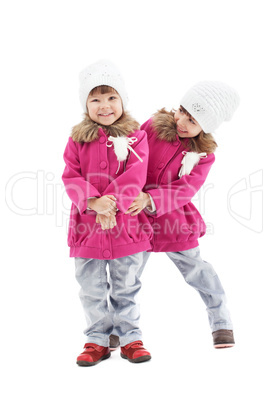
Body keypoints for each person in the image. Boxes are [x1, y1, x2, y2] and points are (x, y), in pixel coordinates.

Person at [126, 81, 239, 348]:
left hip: (173, 219)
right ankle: (119, 327)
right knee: (125, 275)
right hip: (135, 216)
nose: (183, 123)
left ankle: (221, 322)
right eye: (183, 112)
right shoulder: (153, 127)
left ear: (206, 127)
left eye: (194, 121)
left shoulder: (202, 155)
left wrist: (151, 198)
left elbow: (186, 188)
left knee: (197, 270)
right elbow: (132, 156)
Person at [62, 60, 152, 365]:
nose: (104, 106)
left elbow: (135, 177)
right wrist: (93, 203)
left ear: (123, 101)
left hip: (126, 229)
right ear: (85, 104)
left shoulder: (136, 137)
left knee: (126, 285)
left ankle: (130, 337)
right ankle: (96, 339)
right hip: (86, 231)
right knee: (91, 287)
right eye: (95, 99)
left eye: (112, 97)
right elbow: (70, 177)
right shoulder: (77, 140)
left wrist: (110, 204)